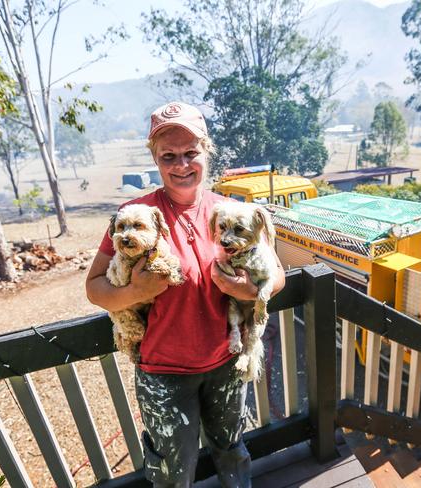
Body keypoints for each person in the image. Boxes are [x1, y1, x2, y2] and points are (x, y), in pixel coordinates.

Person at [85, 101, 286, 487]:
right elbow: (95, 288)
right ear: (155, 160)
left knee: (231, 449)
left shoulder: (229, 212)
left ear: (206, 152)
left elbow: (277, 274)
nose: (181, 165)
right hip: (163, 372)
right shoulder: (137, 214)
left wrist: (249, 290)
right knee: (173, 470)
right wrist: (135, 291)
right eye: (169, 156)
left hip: (226, 361)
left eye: (191, 153)